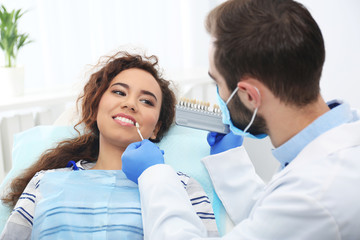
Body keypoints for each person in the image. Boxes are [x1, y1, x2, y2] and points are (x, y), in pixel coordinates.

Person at [121, 0, 360, 239]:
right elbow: (269, 222)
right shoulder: (332, 155)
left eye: (218, 84)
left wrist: (155, 176)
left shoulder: (315, 194)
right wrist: (231, 166)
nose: (219, 96)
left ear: (248, 95)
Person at [0, 51, 218, 239]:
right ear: (95, 108)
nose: (130, 104)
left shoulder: (182, 186)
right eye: (119, 92)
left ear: (156, 129)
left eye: (146, 101)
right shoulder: (44, 182)